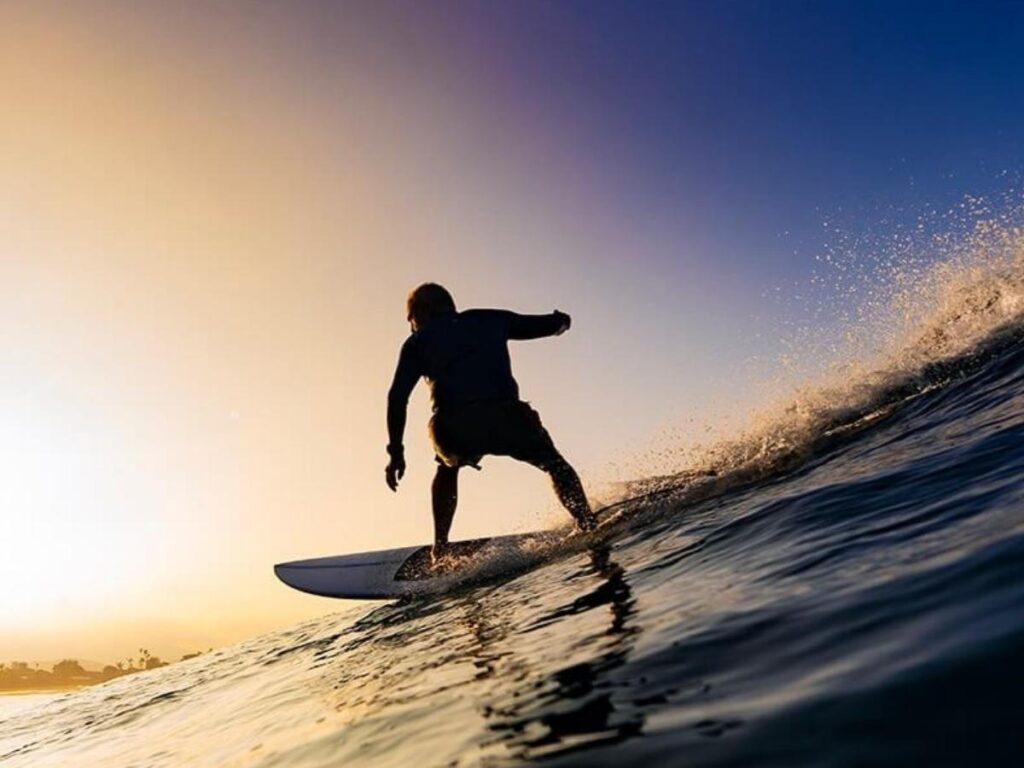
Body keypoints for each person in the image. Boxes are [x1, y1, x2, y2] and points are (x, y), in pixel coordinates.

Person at [385, 283, 597, 565]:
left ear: (421, 312)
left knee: (446, 469)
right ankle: (587, 523)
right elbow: (548, 326)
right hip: (507, 418)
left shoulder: (416, 343)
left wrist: (396, 453)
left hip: (454, 429)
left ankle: (440, 549)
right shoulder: (490, 319)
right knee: (554, 465)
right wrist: (561, 321)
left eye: (410, 319)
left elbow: (397, 398)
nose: (411, 327)